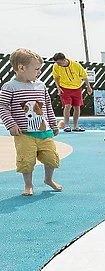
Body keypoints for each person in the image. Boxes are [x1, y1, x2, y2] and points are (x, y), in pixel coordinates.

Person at [0, 48, 62, 196]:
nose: (39, 72)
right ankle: (28, 185)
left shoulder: (40, 86)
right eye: (36, 69)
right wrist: (11, 124)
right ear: (21, 68)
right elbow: (2, 106)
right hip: (25, 134)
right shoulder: (10, 87)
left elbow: (47, 106)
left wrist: (53, 124)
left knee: (51, 158)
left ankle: (48, 179)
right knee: (26, 161)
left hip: (44, 131)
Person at [51, 52, 92, 132]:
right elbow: (56, 77)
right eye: (56, 63)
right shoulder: (56, 66)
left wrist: (88, 87)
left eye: (59, 63)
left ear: (64, 60)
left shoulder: (76, 65)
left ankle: (75, 126)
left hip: (77, 88)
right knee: (67, 105)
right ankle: (66, 126)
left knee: (77, 106)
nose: (58, 64)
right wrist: (58, 87)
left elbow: (84, 76)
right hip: (65, 88)